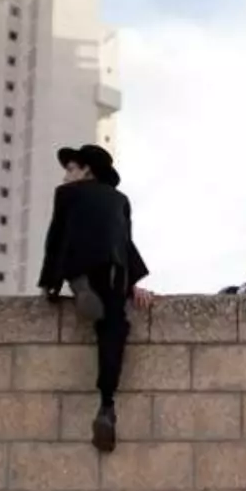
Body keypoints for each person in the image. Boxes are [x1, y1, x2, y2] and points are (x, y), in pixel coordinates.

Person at [39, 144, 153, 453]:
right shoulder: (121, 200)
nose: (66, 175)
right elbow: (126, 243)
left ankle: (80, 285)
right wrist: (132, 285)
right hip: (115, 271)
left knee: (76, 258)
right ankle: (106, 404)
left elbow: (55, 238)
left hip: (81, 263)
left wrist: (50, 283)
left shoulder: (67, 194)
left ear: (86, 170)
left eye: (71, 168)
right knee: (113, 328)